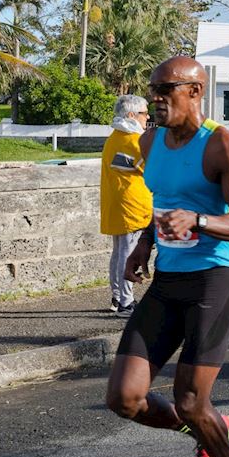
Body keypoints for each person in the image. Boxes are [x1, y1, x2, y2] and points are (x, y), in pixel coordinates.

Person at [104, 56, 229, 457]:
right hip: (167, 279)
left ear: (195, 91)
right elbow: (162, 201)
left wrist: (200, 221)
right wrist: (144, 247)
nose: (155, 98)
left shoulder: (221, 146)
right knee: (124, 398)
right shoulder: (150, 140)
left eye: (165, 89)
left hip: (212, 279)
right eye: (152, 89)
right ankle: (205, 432)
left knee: (193, 399)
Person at [101, 94, 153, 315]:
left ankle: (117, 296)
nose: (147, 116)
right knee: (128, 253)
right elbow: (151, 170)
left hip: (116, 204)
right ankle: (126, 301)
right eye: (143, 113)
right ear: (131, 115)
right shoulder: (134, 141)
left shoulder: (114, 138)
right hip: (133, 205)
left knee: (119, 253)